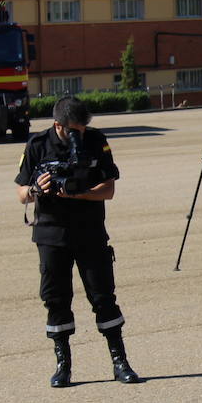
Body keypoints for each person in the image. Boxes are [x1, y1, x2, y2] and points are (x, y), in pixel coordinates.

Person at [15, 96, 140, 388]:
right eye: (74, 129)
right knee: (55, 299)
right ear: (58, 125)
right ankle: (63, 365)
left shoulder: (96, 141)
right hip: (50, 235)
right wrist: (36, 189)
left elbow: (108, 190)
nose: (80, 133)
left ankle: (119, 361)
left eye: (83, 128)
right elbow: (21, 192)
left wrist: (79, 194)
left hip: (90, 232)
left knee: (103, 297)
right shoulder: (37, 145)